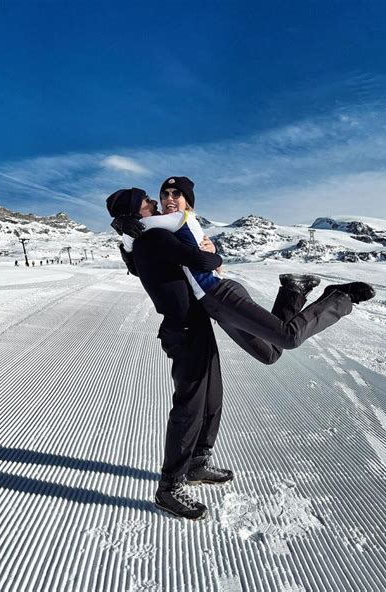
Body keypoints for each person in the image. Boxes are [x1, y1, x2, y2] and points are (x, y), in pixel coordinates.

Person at [111, 176, 375, 366]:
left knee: (289, 337)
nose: (169, 199)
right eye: (164, 195)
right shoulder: (168, 227)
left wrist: (124, 224)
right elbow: (146, 254)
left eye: (176, 194)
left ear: (188, 203)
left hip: (219, 294)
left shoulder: (177, 219)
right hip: (214, 303)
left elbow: (140, 230)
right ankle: (293, 291)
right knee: (269, 354)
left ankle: (341, 296)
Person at [106, 188, 233, 521]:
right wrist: (215, 254)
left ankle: (197, 463)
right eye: (147, 202)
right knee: (189, 408)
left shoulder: (143, 239)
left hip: (194, 324)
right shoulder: (153, 239)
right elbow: (203, 261)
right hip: (184, 328)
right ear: (137, 213)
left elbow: (134, 264)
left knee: (211, 399)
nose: (154, 203)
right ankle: (168, 488)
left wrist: (125, 230)